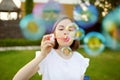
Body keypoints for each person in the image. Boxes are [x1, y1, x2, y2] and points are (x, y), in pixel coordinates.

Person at [13, 15, 90, 80]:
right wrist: (42, 55)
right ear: (54, 34)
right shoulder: (46, 57)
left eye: (70, 29)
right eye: (61, 29)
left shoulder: (80, 59)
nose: (66, 32)